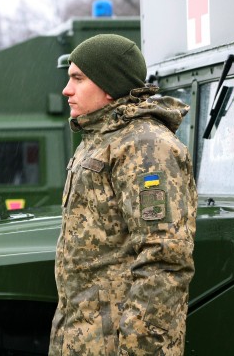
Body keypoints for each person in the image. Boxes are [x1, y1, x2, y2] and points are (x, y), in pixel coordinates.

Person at [49, 34, 197, 355]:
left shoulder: (145, 147)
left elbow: (164, 262)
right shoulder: (101, 138)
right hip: (86, 336)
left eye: (78, 78)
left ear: (108, 85)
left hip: (118, 341)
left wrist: (139, 348)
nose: (67, 90)